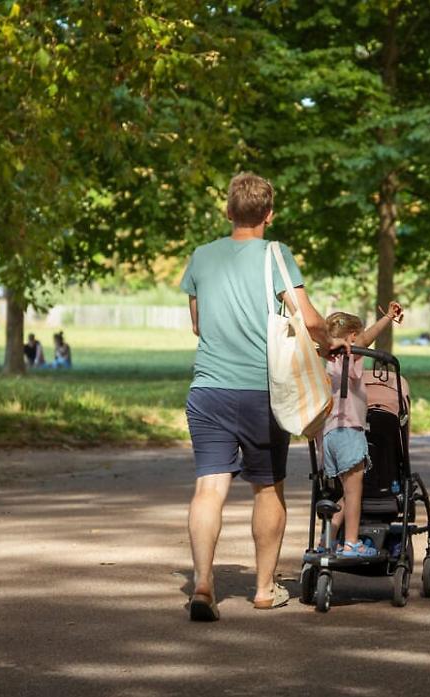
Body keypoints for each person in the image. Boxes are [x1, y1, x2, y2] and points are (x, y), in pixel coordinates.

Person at [180, 172, 348, 621]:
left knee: (209, 488)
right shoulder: (278, 254)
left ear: (227, 211)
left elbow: (197, 323)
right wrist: (327, 342)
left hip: (209, 389)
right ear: (269, 215)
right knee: (267, 486)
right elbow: (310, 319)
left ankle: (201, 584)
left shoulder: (201, 257)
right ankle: (263, 588)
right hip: (262, 392)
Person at [320, 302, 405, 558]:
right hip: (350, 432)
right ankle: (351, 543)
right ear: (353, 337)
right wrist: (388, 317)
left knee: (344, 494)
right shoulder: (350, 355)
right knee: (355, 493)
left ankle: (328, 539)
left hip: (328, 435)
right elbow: (367, 338)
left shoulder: (326, 361)